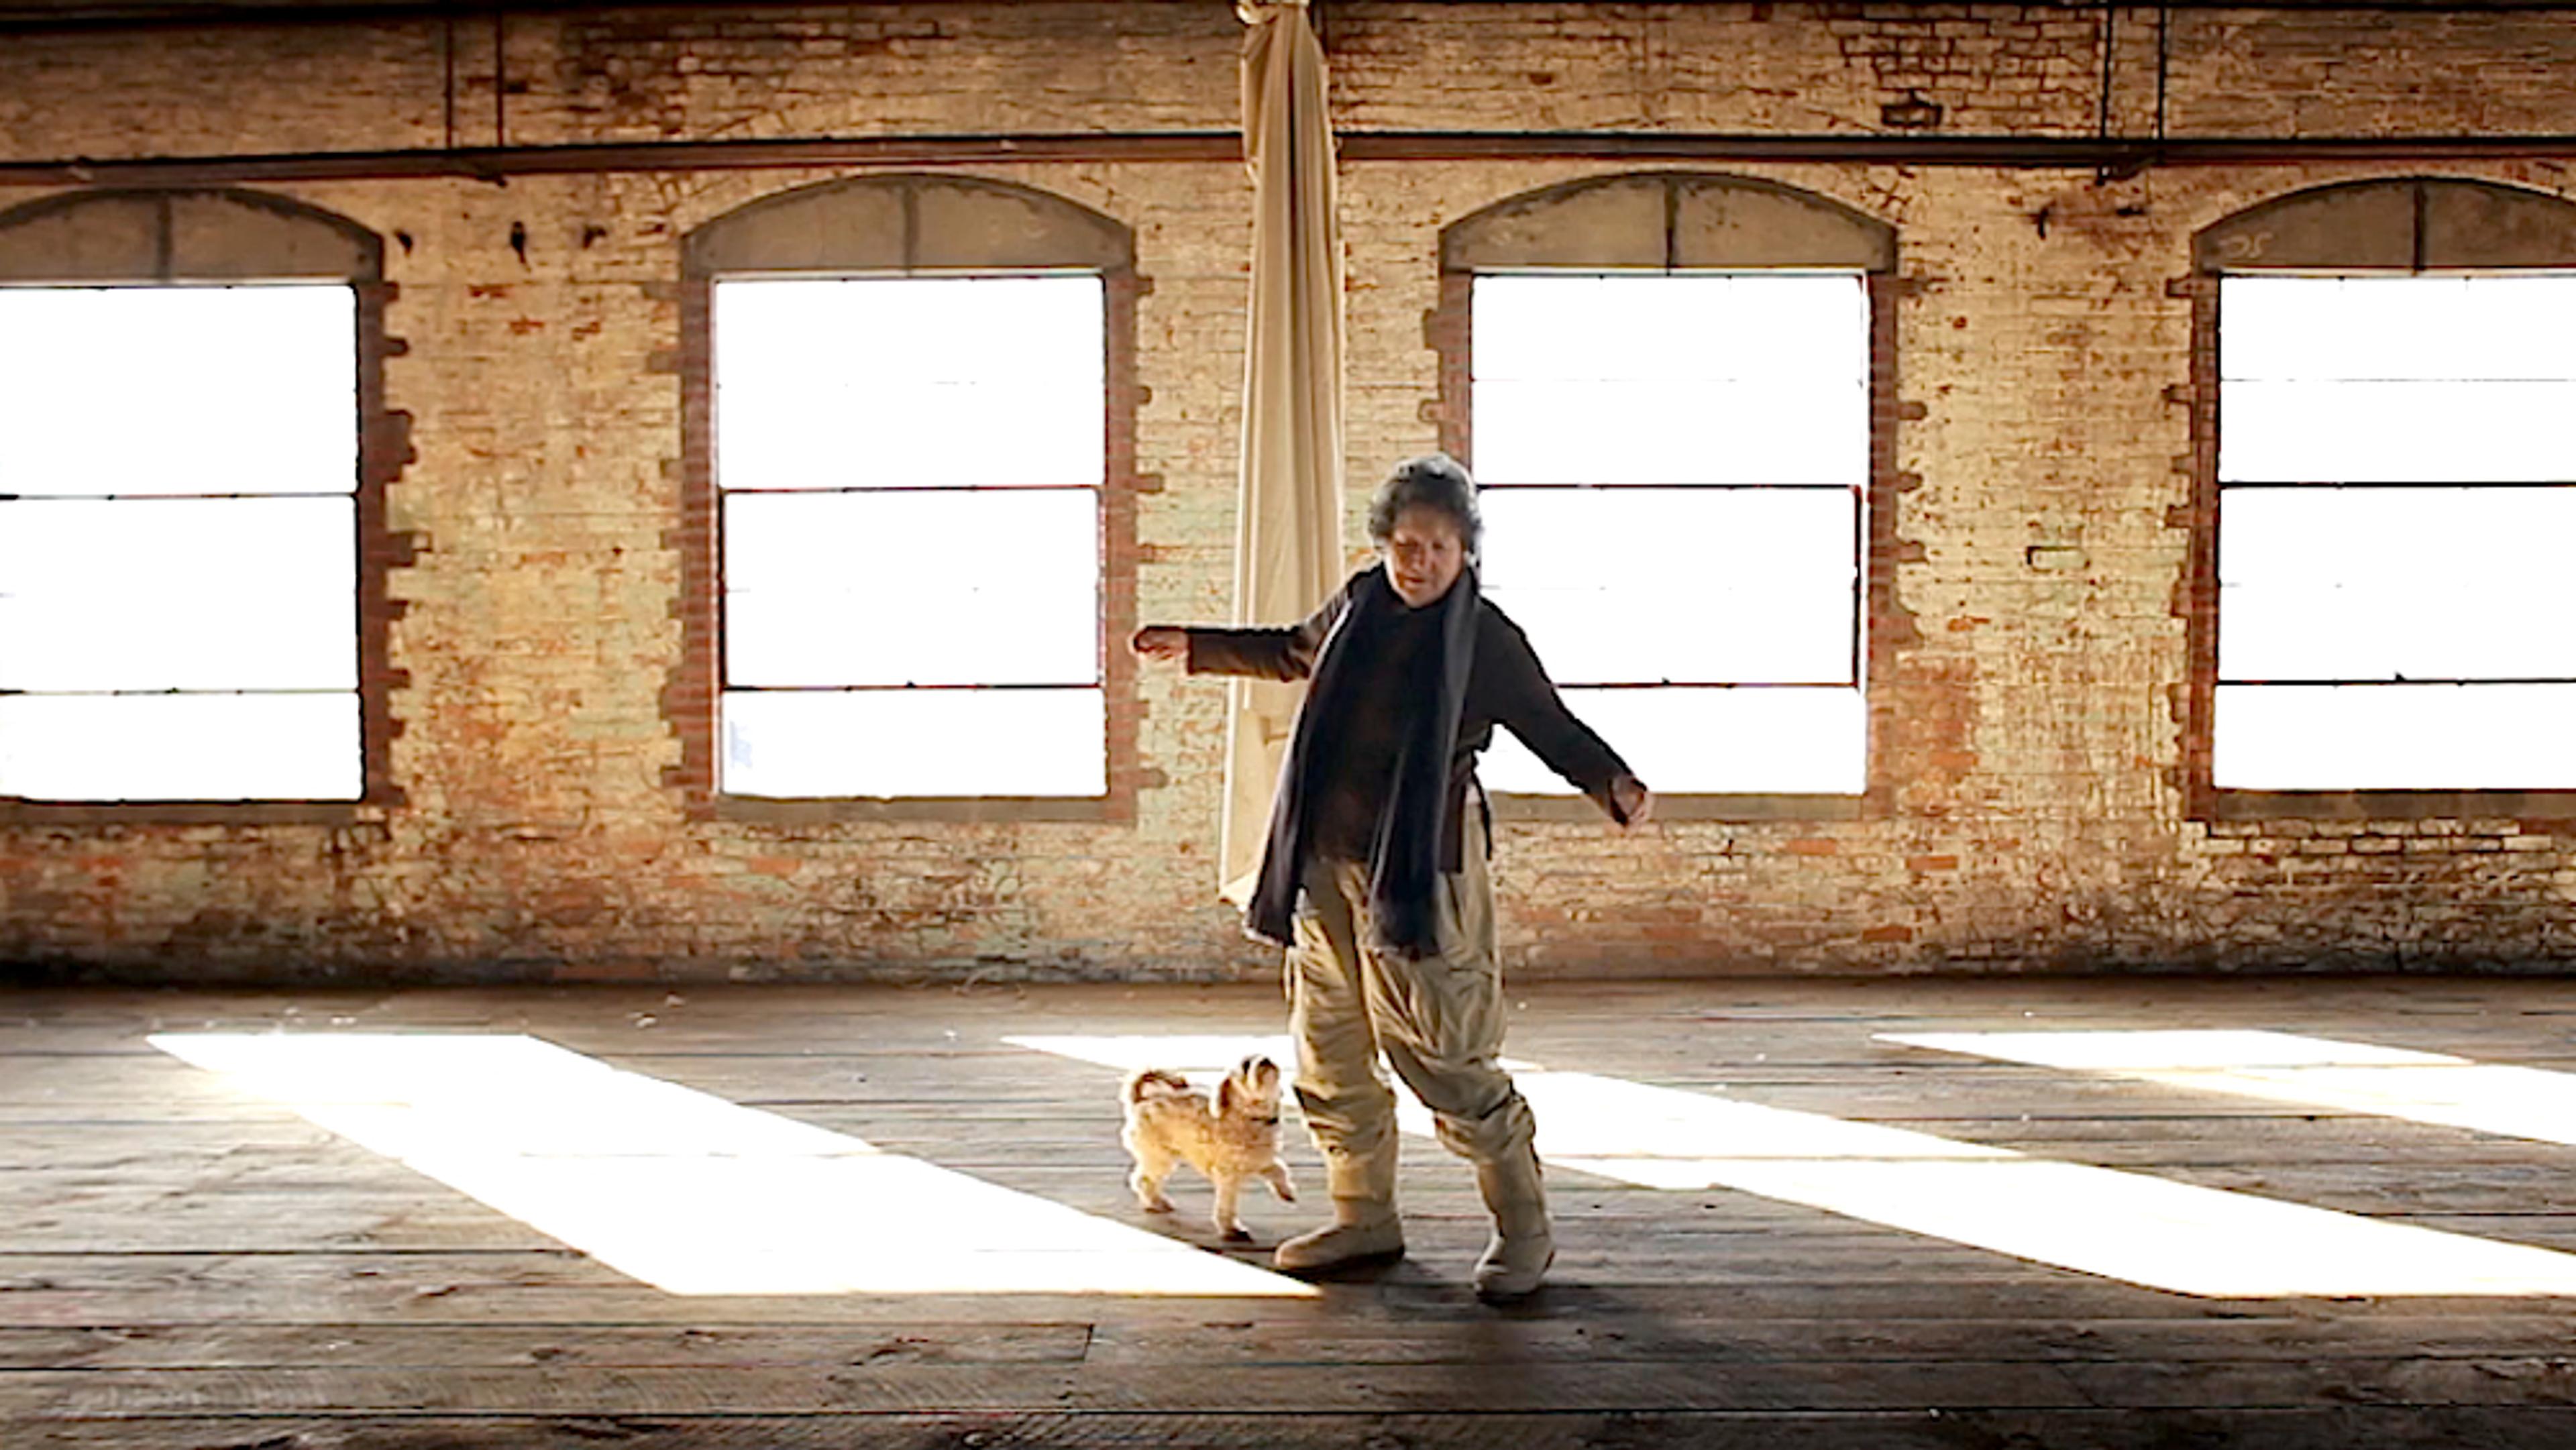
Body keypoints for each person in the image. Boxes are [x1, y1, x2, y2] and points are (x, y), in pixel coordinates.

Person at [1132, 453, 1651, 1302]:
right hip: (1326, 862)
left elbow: (1550, 724)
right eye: (1407, 544)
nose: (1420, 562)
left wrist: (1611, 780)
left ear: (1465, 552)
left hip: (1421, 869)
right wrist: (1198, 644)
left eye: (1439, 547)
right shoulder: (1359, 604)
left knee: (1445, 1055)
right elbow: (1293, 651)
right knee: (1330, 1053)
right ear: (1385, 545)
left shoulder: (1484, 637)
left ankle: (1525, 1229)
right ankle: (1364, 1213)